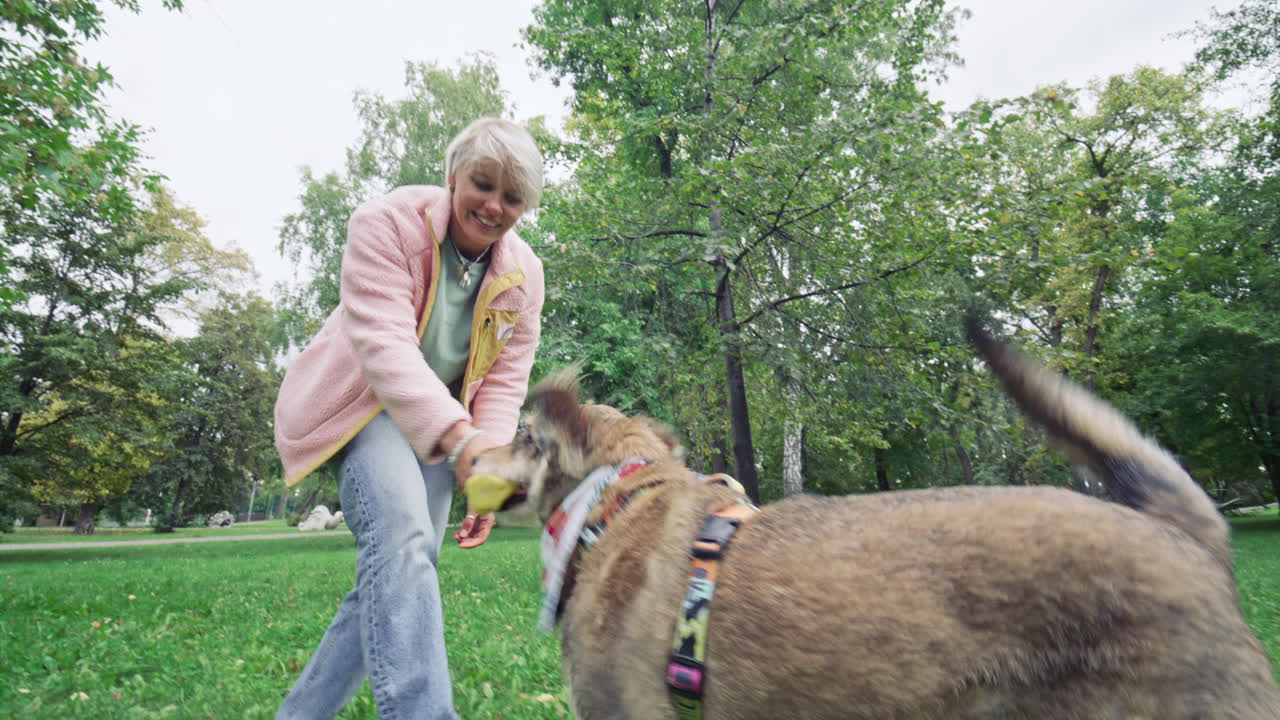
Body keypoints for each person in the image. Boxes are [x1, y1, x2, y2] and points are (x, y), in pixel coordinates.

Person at [272, 117, 545, 720]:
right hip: (366, 405)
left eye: (513, 196)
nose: (494, 205)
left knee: (401, 569)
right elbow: (385, 347)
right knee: (401, 539)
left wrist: (489, 473)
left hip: (445, 422)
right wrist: (461, 440)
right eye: (483, 184)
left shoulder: (525, 277)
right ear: (453, 177)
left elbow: (503, 380)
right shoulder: (388, 223)